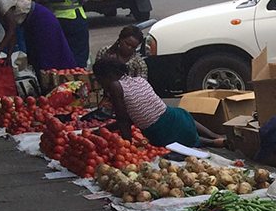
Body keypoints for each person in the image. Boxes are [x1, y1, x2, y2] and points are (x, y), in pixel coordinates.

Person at [94, 56, 225, 148]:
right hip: (175, 115)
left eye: (100, 80)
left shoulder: (115, 86)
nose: (101, 84)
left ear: (108, 76)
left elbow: (123, 120)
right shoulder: (139, 80)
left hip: (159, 129)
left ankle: (211, 142)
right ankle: (215, 136)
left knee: (180, 140)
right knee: (183, 123)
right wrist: (105, 129)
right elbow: (134, 114)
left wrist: (127, 145)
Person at [0, 0, 76, 71]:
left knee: (50, 51)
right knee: (35, 56)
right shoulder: (0, 15)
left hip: (41, 19)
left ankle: (65, 74)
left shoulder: (3, 5)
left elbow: (11, 30)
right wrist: (9, 56)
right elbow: (12, 36)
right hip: (30, 24)